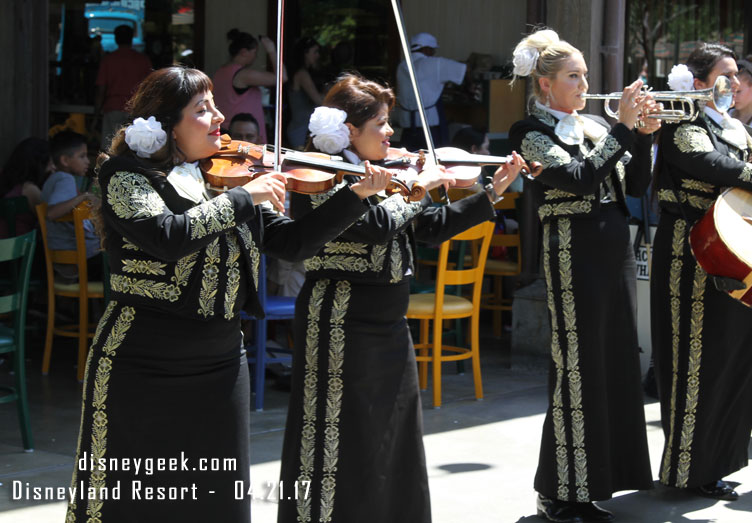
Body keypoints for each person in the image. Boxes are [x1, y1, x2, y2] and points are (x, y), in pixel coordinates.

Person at [65, 66, 388, 522]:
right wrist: (245, 199)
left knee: (218, 497)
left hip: (219, 358)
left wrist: (355, 196)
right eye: (203, 109)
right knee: (131, 496)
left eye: (216, 105)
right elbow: (167, 236)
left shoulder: (225, 178)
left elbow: (295, 243)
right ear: (165, 124)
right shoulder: (126, 176)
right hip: (143, 360)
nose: (220, 116)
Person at [277, 74, 526, 523]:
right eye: (381, 123)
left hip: (388, 322)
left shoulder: (390, 175)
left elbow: (427, 228)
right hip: (339, 319)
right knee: (337, 431)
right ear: (349, 130)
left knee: (390, 431)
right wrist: (418, 186)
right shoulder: (322, 173)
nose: (391, 133)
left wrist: (492, 192)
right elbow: (373, 228)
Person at [509, 29, 656, 522]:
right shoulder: (528, 132)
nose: (584, 84)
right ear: (545, 85)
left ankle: (597, 483)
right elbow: (577, 179)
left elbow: (634, 185)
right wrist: (622, 129)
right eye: (574, 76)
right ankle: (559, 490)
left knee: (613, 365)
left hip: (610, 251)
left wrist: (643, 136)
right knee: (577, 368)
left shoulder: (594, 125)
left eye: (585, 75)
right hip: (571, 253)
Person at [650, 44, 752, 501]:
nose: (735, 83)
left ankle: (717, 462)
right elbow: (710, 165)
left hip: (735, 251)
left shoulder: (735, 127)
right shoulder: (684, 120)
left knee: (736, 355)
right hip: (691, 251)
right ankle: (688, 470)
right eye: (726, 74)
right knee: (696, 360)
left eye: (738, 74)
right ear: (699, 82)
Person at [41, 130, 103, 280]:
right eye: (81, 156)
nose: (87, 161)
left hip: (65, 256)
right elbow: (52, 212)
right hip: (76, 259)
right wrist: (84, 196)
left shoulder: (53, 179)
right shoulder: (64, 179)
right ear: (65, 160)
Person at [212, 29, 284, 144]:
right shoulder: (243, 74)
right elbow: (282, 78)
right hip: (245, 134)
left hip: (227, 131)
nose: (255, 57)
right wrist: (272, 50)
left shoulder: (220, 72)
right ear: (244, 52)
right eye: (255, 52)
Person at [395, 32, 466, 150]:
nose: (433, 54)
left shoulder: (401, 66)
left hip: (407, 127)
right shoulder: (435, 63)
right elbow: (464, 70)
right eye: (433, 50)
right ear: (426, 49)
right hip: (431, 125)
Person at [94, 24, 154, 148]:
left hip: (113, 108)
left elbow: (101, 89)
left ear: (116, 39)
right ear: (131, 38)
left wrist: (96, 113)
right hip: (135, 109)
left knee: (109, 147)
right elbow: (150, 89)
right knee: (133, 148)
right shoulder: (142, 60)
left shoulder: (108, 60)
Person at [286, 36, 325, 148]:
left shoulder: (302, 72)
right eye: (315, 52)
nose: (318, 56)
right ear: (305, 53)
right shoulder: (302, 74)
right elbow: (318, 100)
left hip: (301, 127)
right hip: (300, 129)